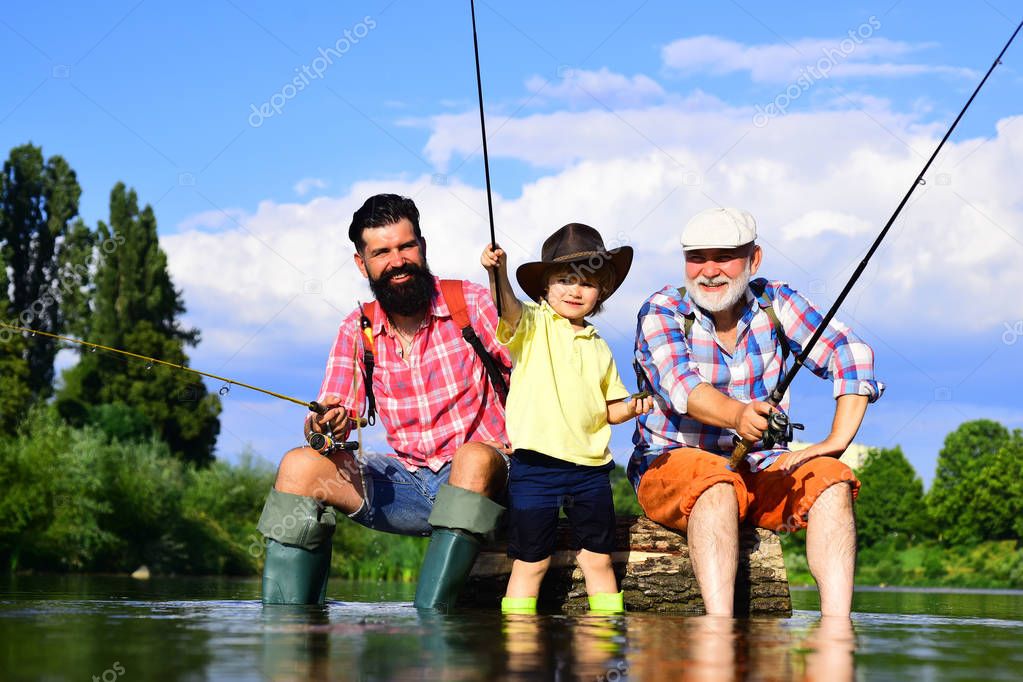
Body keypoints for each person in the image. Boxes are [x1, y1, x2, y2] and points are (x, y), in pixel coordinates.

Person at [256, 193, 511, 611]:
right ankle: (291, 627)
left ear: (422, 247)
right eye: (382, 252)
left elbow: (536, 371)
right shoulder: (358, 329)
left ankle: (431, 620)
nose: (397, 261)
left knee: (473, 457)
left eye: (405, 246)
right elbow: (326, 413)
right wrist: (326, 426)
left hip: (491, 480)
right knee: (299, 466)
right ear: (363, 264)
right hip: (409, 484)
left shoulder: (471, 302)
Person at [630, 207, 884, 617]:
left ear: (754, 259)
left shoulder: (777, 301)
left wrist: (837, 441)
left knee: (834, 481)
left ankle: (837, 630)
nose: (709, 270)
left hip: (761, 463)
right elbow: (682, 387)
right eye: (697, 258)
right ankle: (719, 631)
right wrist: (737, 416)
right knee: (715, 484)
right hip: (668, 462)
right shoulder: (661, 309)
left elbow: (850, 352)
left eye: (725, 256)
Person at [481, 223, 652, 615]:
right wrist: (497, 272)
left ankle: (603, 649)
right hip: (535, 468)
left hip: (591, 471)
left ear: (601, 293)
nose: (576, 290)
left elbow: (610, 409)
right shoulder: (532, 324)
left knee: (598, 560)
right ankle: (520, 652)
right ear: (544, 288)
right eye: (564, 280)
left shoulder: (600, 346)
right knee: (531, 562)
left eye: (588, 283)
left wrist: (634, 406)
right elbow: (505, 305)